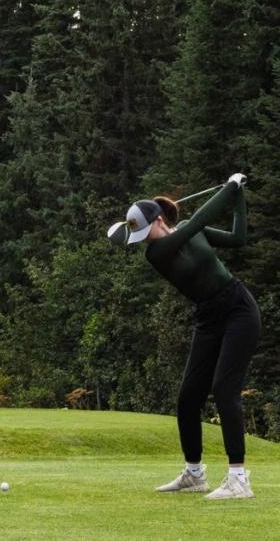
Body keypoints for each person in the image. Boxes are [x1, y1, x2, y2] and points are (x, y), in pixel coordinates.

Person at [111, 173, 260, 500]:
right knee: (188, 397)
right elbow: (199, 221)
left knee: (224, 388)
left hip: (238, 308)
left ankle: (238, 479)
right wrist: (231, 185)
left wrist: (238, 198)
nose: (144, 241)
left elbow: (238, 238)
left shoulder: (188, 231)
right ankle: (194, 474)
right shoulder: (158, 253)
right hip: (207, 316)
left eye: (145, 233)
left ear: (159, 220)